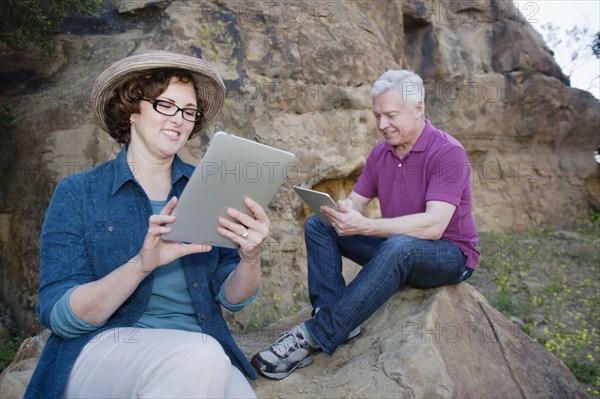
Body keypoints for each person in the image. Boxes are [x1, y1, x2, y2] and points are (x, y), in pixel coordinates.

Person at [25, 51, 269, 398]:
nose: (179, 120)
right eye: (165, 105)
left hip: (202, 350)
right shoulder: (78, 192)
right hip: (100, 349)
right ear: (131, 109)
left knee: (227, 381)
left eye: (188, 111)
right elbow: (58, 313)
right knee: (200, 357)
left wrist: (251, 257)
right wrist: (142, 264)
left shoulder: (210, 187)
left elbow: (232, 297)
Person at [251, 70, 480, 379]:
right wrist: (342, 211)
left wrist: (365, 227)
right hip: (400, 250)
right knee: (320, 226)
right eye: (377, 116)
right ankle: (331, 313)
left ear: (418, 108)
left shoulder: (447, 152)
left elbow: (434, 226)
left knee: (401, 246)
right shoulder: (380, 153)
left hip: (449, 255)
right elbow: (356, 202)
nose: (382, 124)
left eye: (391, 115)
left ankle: (314, 335)